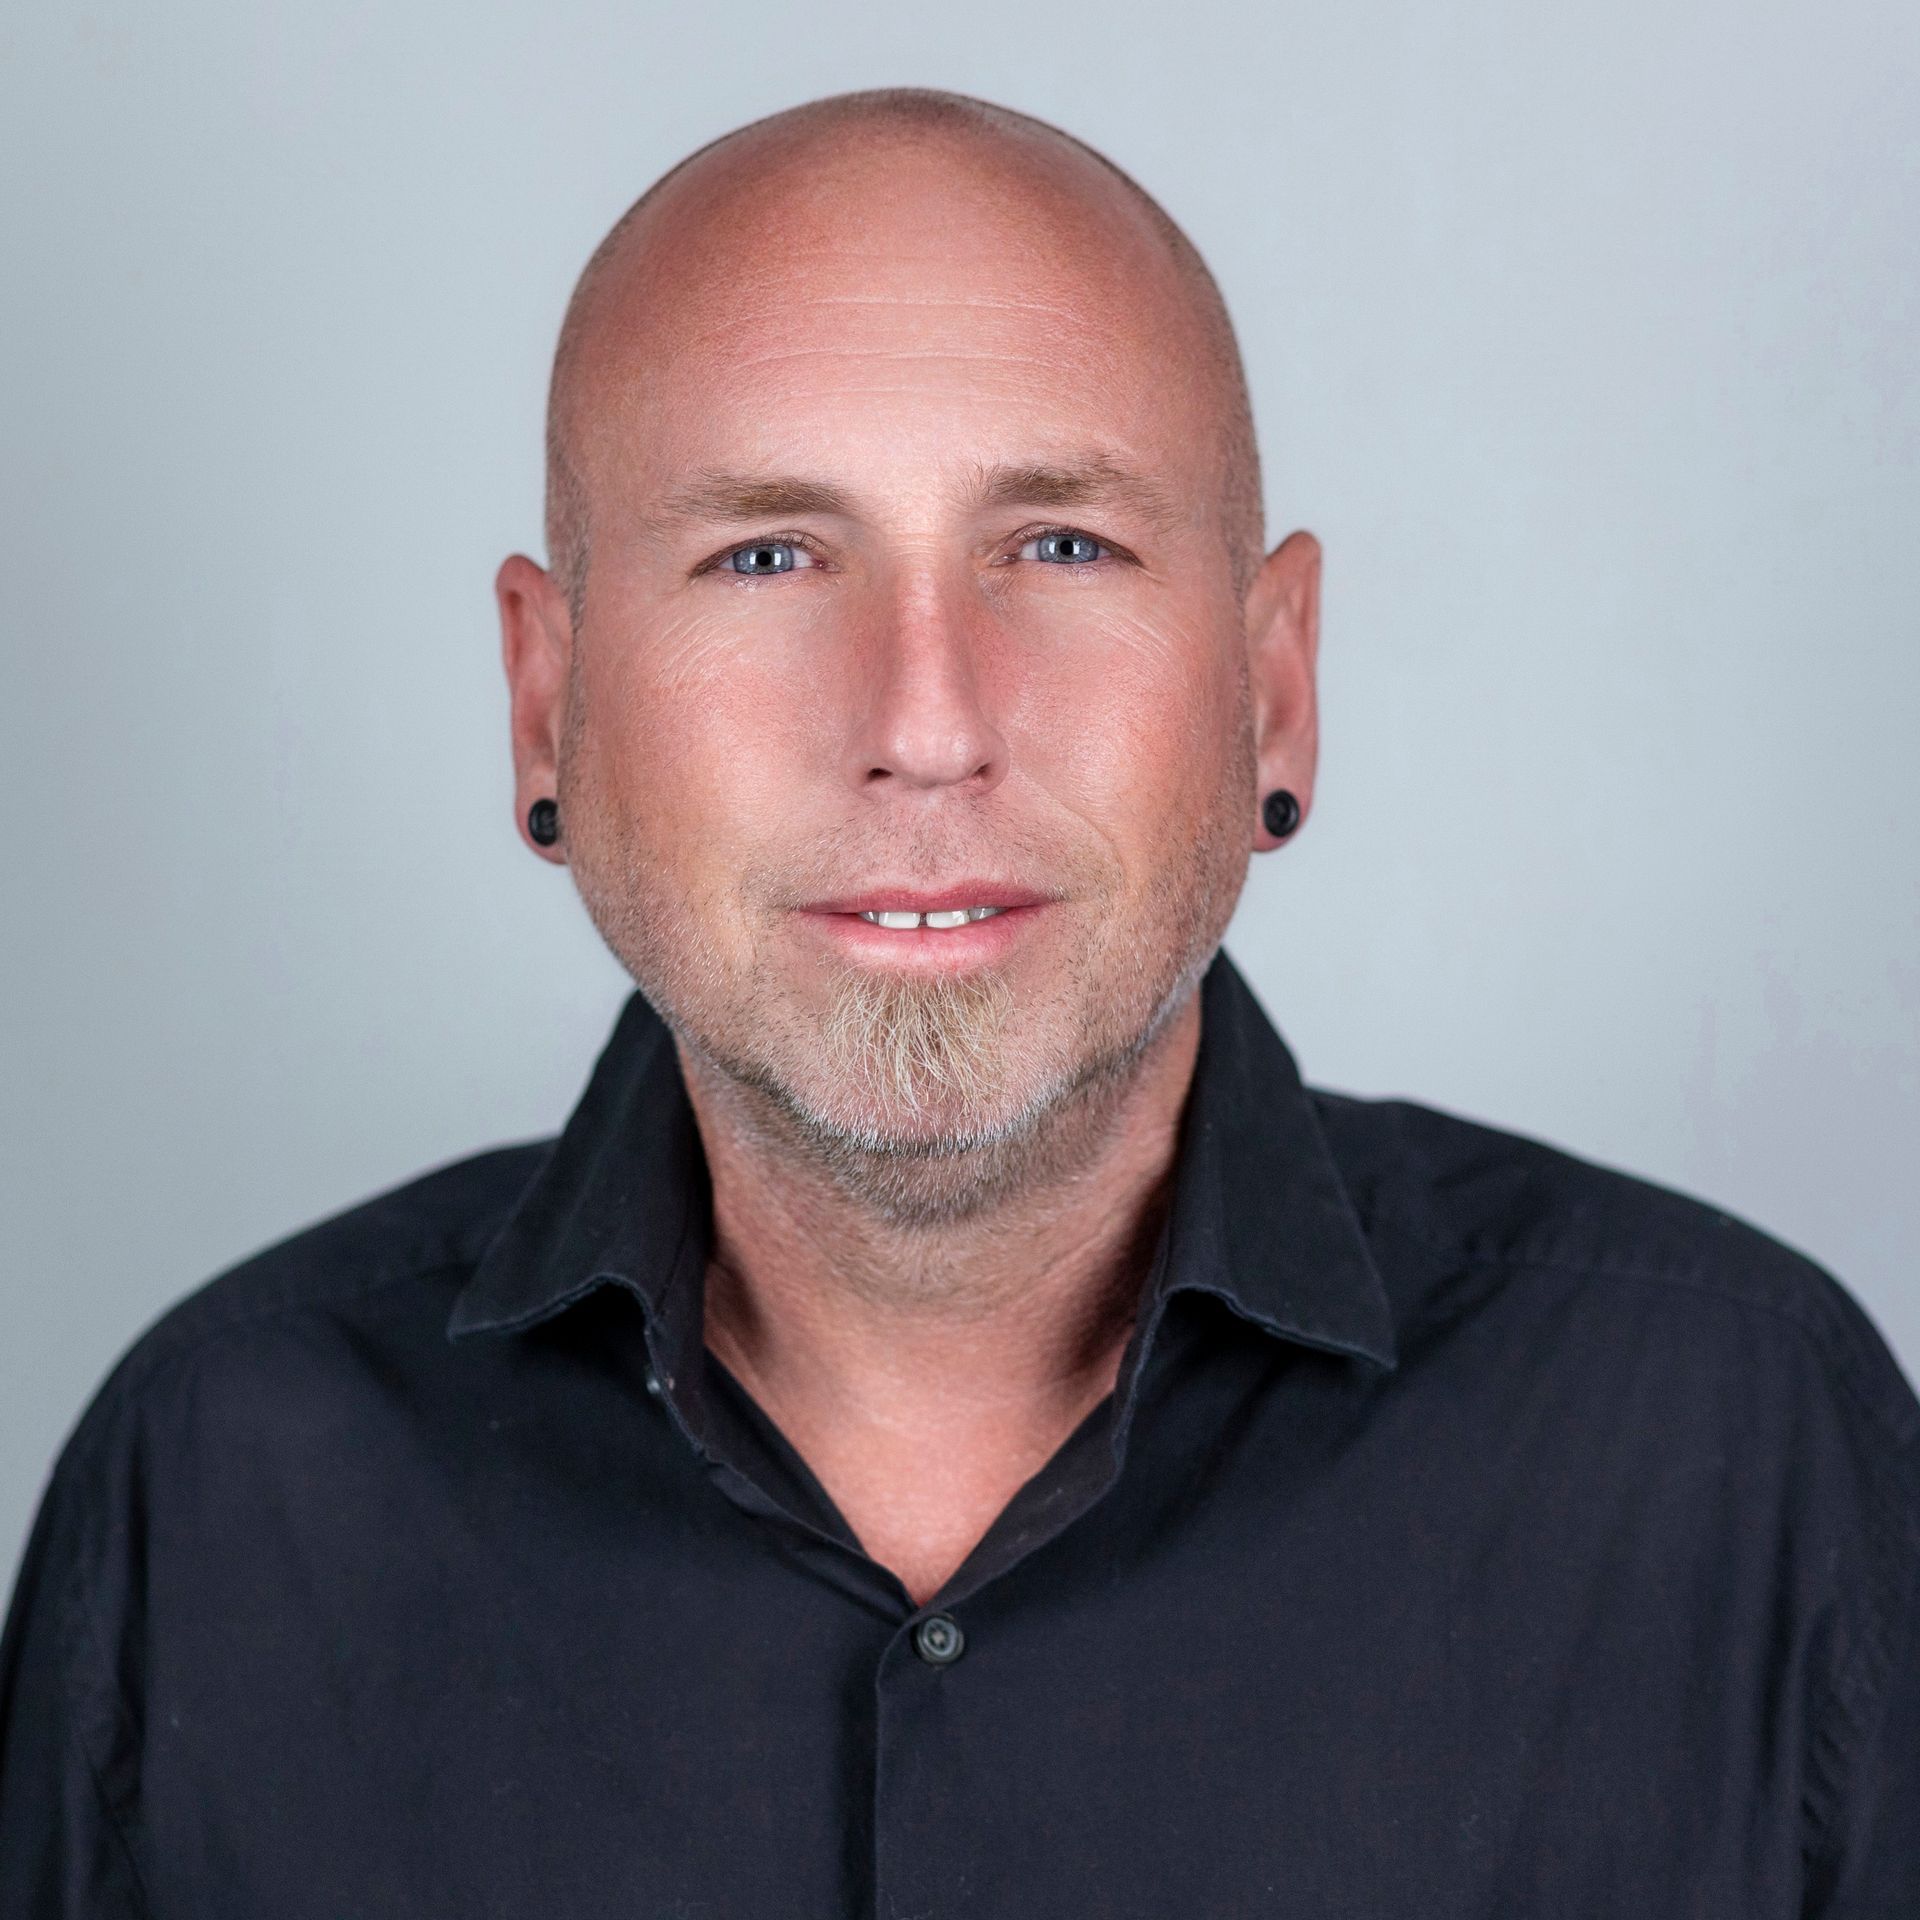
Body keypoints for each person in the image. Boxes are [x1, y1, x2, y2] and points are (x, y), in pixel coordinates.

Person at [1, 85, 1914, 1918]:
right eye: (766, 554)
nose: (925, 724)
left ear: (1275, 685)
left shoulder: (1750, 1454)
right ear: (544, 706)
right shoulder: (216, 1494)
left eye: (1060, 547)